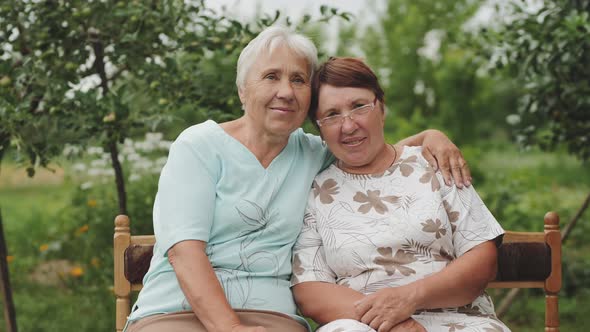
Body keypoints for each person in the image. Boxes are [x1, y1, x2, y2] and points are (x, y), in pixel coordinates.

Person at [125, 27, 471, 332]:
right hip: (176, 312)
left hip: (272, 315)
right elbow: (184, 252)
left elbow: (374, 154)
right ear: (243, 90)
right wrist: (230, 328)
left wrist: (429, 137)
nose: (286, 91)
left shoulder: (312, 153)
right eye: (271, 76)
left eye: (298, 80)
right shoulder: (199, 147)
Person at [291, 57, 510, 332]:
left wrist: (409, 298)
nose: (348, 126)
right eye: (332, 115)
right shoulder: (316, 191)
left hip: (459, 320)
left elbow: (482, 257)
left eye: (359, 106)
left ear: (381, 109)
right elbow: (310, 289)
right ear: (319, 128)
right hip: (361, 323)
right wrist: (393, 323)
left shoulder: (435, 164)